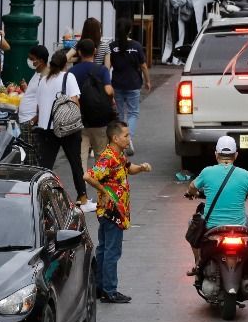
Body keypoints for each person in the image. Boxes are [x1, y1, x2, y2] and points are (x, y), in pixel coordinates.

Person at [83, 121, 151, 304]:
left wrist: (142, 168)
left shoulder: (118, 155)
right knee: (112, 251)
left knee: (104, 249)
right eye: (126, 136)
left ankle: (100, 287)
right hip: (112, 212)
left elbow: (130, 168)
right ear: (115, 137)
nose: (129, 139)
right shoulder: (108, 158)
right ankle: (110, 290)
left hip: (111, 211)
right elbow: (88, 176)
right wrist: (104, 191)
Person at [19, 49, 87, 203]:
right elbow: (74, 101)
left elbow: (38, 106)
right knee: (75, 163)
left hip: (45, 128)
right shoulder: (68, 77)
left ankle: (38, 194)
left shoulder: (43, 80)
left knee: (44, 165)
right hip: (66, 127)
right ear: (65, 64)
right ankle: (82, 197)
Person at [185, 136, 248, 275]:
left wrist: (191, 193)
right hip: (239, 226)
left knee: (192, 223)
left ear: (216, 154)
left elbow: (192, 187)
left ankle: (198, 262)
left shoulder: (207, 172)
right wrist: (246, 194)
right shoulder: (245, 174)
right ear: (236, 155)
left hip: (212, 226)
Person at [107, 18, 151, 153]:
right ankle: (128, 138)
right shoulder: (136, 46)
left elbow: (108, 66)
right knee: (133, 112)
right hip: (133, 83)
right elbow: (143, 66)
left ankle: (120, 140)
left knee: (120, 113)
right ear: (130, 30)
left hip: (117, 84)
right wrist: (148, 81)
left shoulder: (112, 46)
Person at [70, 39, 115, 170]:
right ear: (95, 51)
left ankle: (82, 185)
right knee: (101, 154)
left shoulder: (73, 72)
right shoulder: (102, 70)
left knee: (81, 156)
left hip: (80, 118)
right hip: (99, 118)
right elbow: (108, 90)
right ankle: (100, 186)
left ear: (79, 52)